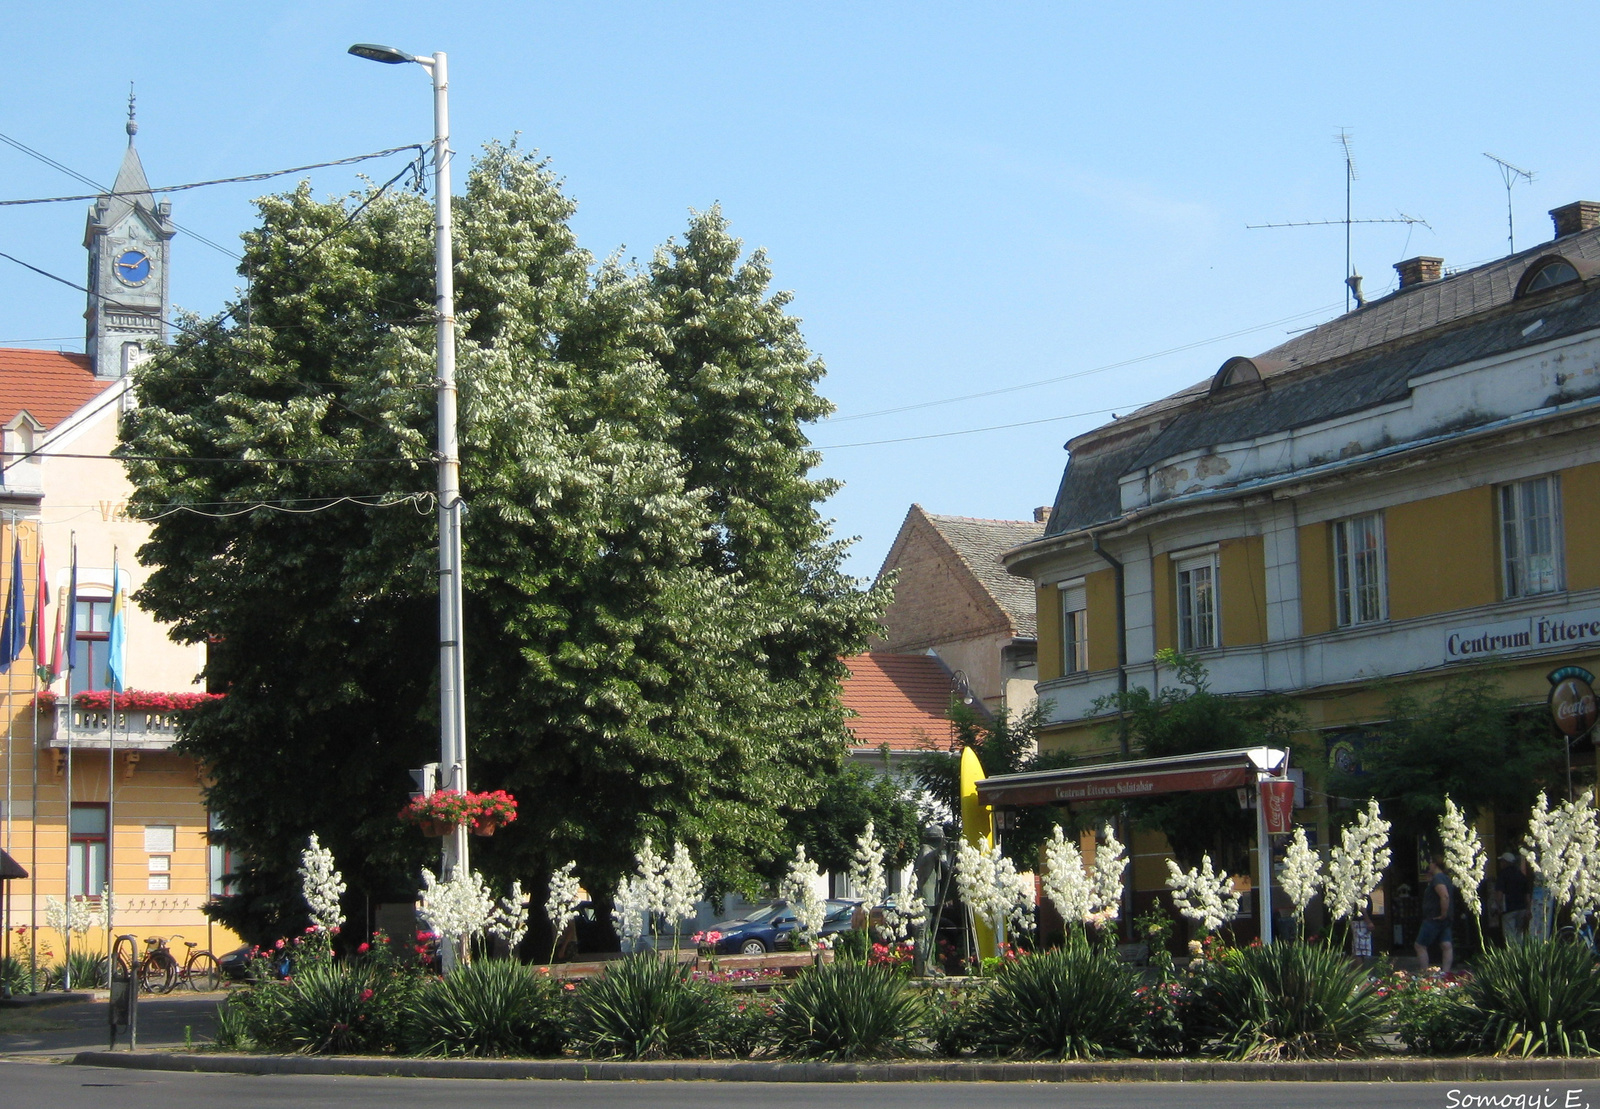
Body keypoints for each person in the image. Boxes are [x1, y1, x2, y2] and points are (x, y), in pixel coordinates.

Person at [1414, 856, 1454, 975]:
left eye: (1430, 862)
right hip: (1445, 919)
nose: (1429, 865)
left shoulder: (1438, 878)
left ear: (1435, 864)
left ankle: (1424, 973)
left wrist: (1443, 913)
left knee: (1420, 945)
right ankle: (1446, 973)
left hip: (1434, 918)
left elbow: (1444, 896)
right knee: (1446, 944)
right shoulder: (1445, 878)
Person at [1496, 850, 1531, 944]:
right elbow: (1527, 895)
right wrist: (1528, 909)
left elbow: (1499, 893)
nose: (1500, 863)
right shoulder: (1522, 876)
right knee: (1520, 934)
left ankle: (1512, 956)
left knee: (1509, 936)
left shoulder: (1503, 875)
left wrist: (1498, 906)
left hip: (1509, 909)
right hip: (1522, 909)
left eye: (1501, 861)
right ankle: (1520, 955)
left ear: (1505, 862)